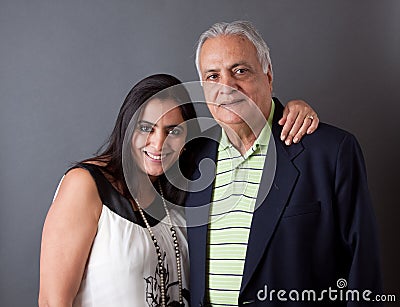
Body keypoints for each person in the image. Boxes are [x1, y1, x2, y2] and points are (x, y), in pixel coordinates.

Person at [39, 73, 318, 307]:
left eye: (173, 130)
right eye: (146, 128)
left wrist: (290, 111)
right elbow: (53, 302)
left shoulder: (187, 186)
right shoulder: (86, 185)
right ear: (127, 128)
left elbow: (243, 129)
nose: (158, 143)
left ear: (187, 137)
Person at [185, 21, 382, 306]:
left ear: (268, 76)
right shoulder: (193, 160)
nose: (226, 87)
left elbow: (364, 270)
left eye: (240, 71)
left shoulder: (330, 152)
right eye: (213, 76)